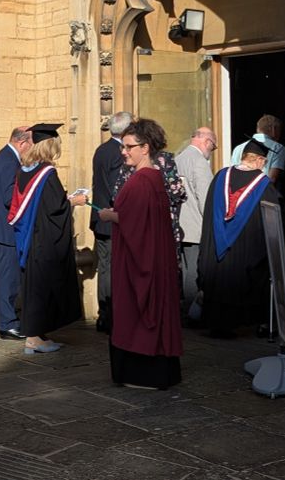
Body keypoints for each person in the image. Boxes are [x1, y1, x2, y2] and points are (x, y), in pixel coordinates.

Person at [97, 118, 183, 390]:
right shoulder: (153, 177)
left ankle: (142, 375)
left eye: (129, 146)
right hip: (151, 257)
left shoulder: (142, 181)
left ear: (145, 148)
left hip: (140, 262)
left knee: (139, 316)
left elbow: (135, 223)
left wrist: (110, 215)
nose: (124, 152)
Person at [6, 124, 86, 355]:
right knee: (41, 287)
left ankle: (38, 334)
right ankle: (33, 339)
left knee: (33, 285)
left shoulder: (25, 170)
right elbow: (55, 207)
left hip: (30, 237)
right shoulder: (46, 173)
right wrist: (74, 201)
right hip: (44, 240)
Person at [198, 139, 281, 336]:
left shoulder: (220, 177)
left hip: (218, 243)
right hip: (242, 248)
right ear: (260, 160)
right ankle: (237, 323)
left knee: (219, 279)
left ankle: (216, 325)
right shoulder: (263, 185)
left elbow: (210, 212)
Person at [0, 126, 32, 340]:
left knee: (9, 278)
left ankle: (9, 320)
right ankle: (7, 324)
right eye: (30, 145)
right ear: (22, 143)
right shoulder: (9, 160)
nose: (31, 149)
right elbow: (11, 197)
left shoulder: (8, 156)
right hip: (4, 231)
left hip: (3, 229)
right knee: (7, 278)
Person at [90, 111, 134, 333]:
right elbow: (117, 189)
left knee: (105, 267)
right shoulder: (119, 153)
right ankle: (110, 316)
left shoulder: (101, 150)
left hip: (101, 219)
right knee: (113, 269)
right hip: (112, 218)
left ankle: (104, 316)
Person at [174, 127, 217, 310]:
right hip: (196, 226)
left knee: (186, 270)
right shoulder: (199, 161)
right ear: (207, 142)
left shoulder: (179, 158)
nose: (211, 152)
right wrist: (212, 225)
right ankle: (192, 311)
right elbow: (206, 198)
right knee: (194, 271)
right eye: (213, 147)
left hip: (181, 225)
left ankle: (186, 309)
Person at [230, 114, 285, 184]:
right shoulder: (277, 148)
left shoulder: (238, 148)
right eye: (279, 130)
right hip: (262, 192)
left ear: (258, 129)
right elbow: (272, 178)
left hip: (238, 192)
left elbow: (232, 175)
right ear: (273, 130)